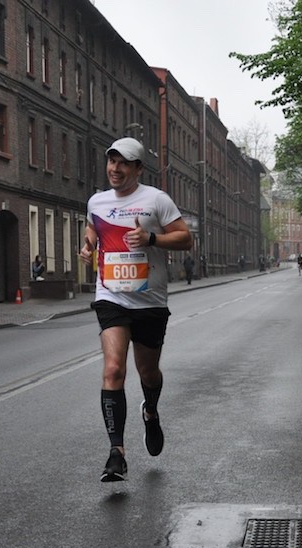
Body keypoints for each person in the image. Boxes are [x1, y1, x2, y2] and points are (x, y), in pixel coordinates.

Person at [80, 137, 193, 482]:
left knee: (148, 373)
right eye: (111, 162)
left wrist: (151, 239)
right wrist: (88, 246)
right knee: (114, 369)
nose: (115, 169)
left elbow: (185, 238)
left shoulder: (156, 200)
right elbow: (92, 227)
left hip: (150, 301)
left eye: (123, 163)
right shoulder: (97, 201)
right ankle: (117, 453)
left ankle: (151, 411)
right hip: (111, 296)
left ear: (138, 168)